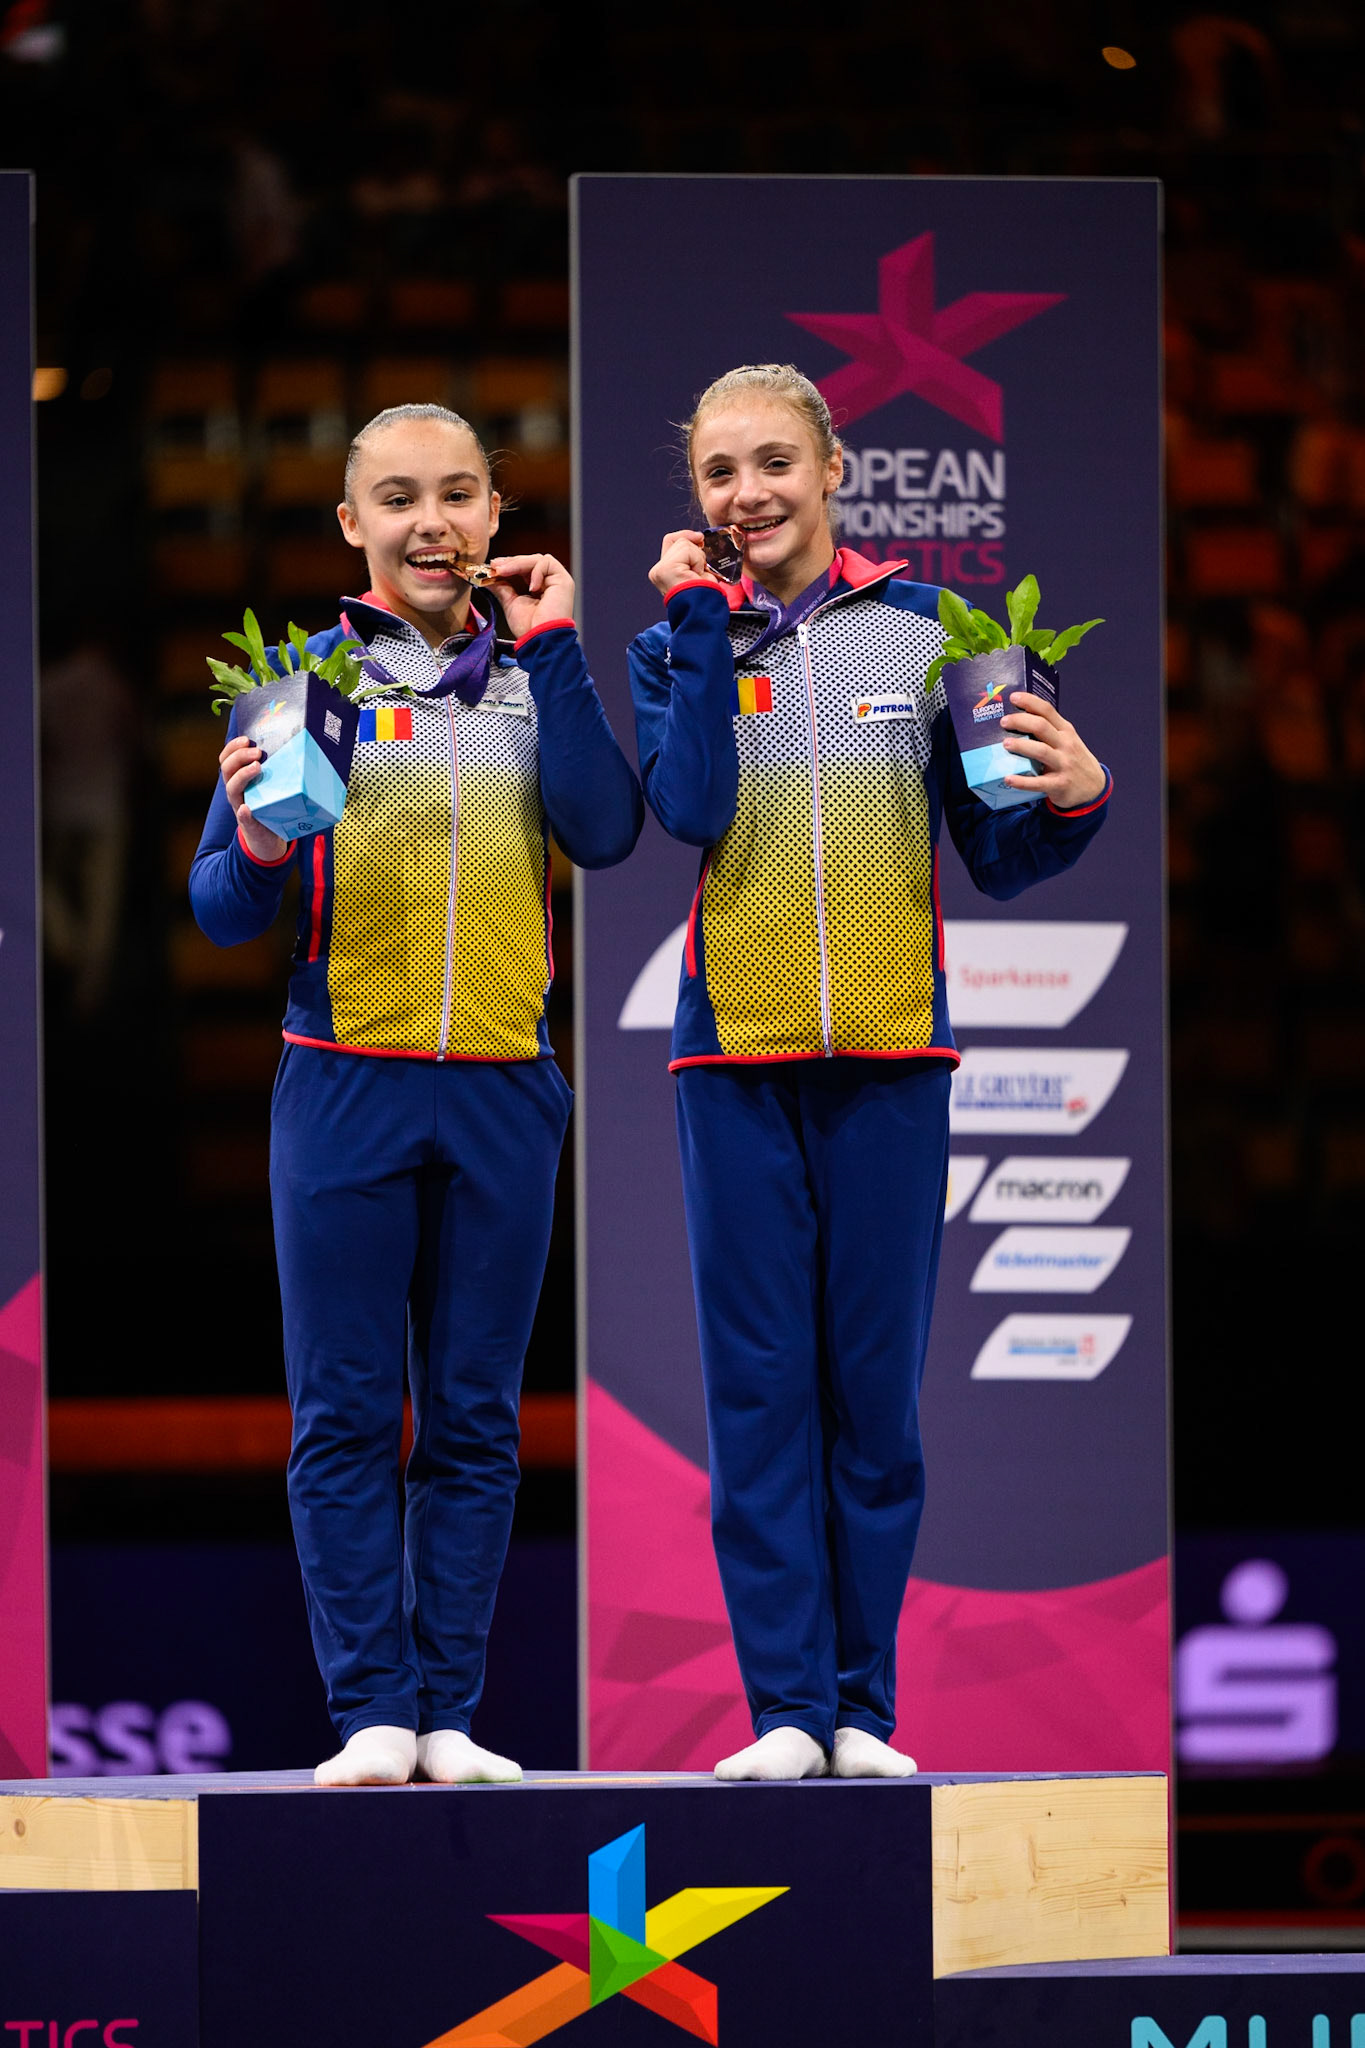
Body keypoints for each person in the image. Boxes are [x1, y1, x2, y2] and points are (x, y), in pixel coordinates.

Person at [628, 364, 1112, 1783]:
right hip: (733, 1066)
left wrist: (1074, 790)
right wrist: (700, 627)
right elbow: (689, 808)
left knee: (872, 1402)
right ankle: (783, 1712)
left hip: (896, 1066)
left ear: (835, 468)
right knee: (759, 1397)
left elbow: (1004, 854)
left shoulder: (927, 637)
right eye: (719, 473)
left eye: (773, 463)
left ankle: (861, 1711)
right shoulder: (678, 647)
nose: (746, 495)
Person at [191, 402, 643, 1786]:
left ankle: (448, 1714)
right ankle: (372, 1712)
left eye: (456, 494)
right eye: (397, 498)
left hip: (508, 1088)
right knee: (342, 1414)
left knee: (472, 1422)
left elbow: (605, 829)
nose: (428, 520)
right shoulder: (299, 678)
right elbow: (217, 907)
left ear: (496, 515)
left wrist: (557, 649)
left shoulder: (533, 674)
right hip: (343, 1084)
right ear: (352, 525)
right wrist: (259, 841)